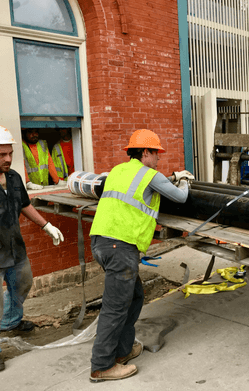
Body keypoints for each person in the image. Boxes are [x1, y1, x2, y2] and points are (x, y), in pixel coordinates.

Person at [88, 129, 194, 383]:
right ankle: (101, 366)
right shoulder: (148, 174)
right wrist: (184, 179)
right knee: (115, 308)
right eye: (156, 153)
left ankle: (123, 351)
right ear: (145, 152)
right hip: (120, 247)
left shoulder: (117, 171)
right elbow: (180, 197)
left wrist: (171, 177)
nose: (158, 159)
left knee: (134, 296)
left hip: (103, 242)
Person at [0, 126, 64, 372]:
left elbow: (24, 205)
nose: (7, 159)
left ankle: (11, 322)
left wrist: (46, 225)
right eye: (1, 155)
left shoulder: (15, 177)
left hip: (15, 248)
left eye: (10, 153)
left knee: (23, 282)